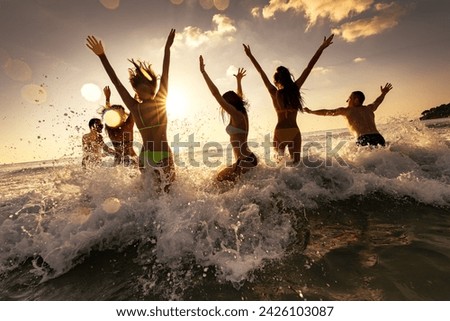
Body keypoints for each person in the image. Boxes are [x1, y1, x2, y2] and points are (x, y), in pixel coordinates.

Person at [86, 29, 176, 192]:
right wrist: (102, 56)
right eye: (138, 90)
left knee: (155, 195)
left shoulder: (143, 105)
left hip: (148, 156)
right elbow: (116, 83)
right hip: (159, 155)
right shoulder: (143, 105)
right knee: (166, 194)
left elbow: (165, 75)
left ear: (151, 88)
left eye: (141, 90)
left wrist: (167, 49)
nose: (140, 93)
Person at [243, 35, 334, 164]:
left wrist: (250, 56)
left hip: (279, 131)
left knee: (278, 164)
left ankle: (280, 184)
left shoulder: (274, 93)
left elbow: (261, 73)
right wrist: (321, 48)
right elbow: (308, 68)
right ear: (288, 77)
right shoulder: (295, 89)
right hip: (294, 131)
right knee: (296, 165)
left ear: (276, 80)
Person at [199, 55, 257, 182]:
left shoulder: (236, 114)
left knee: (218, 179)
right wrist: (239, 81)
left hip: (245, 160)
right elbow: (240, 96)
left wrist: (203, 72)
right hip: (246, 159)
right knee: (228, 183)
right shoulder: (240, 112)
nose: (223, 106)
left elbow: (216, 94)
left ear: (230, 103)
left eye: (225, 103)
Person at [304, 83, 393, 147]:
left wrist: (311, 111)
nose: (347, 100)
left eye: (349, 98)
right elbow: (378, 101)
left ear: (356, 100)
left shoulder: (347, 111)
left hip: (364, 138)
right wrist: (383, 93)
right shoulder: (369, 108)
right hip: (378, 137)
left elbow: (326, 112)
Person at [101, 85, 137, 166]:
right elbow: (133, 107)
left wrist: (107, 98)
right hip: (130, 161)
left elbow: (107, 113)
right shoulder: (128, 125)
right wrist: (137, 92)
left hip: (119, 162)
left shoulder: (110, 129)